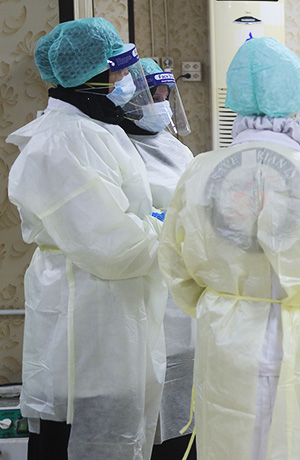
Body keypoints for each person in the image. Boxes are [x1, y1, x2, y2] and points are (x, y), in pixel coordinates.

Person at [157, 36, 300, 460]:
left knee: (233, 436)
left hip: (226, 334)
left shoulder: (200, 172)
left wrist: (224, 300)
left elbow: (176, 265)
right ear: (297, 103)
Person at [6, 17, 166, 460]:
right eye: (115, 71)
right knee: (80, 431)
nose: (122, 81)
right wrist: (168, 231)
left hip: (106, 305)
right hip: (88, 306)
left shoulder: (92, 129)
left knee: (109, 417)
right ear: (90, 76)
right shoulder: (64, 141)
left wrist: (153, 222)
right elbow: (112, 245)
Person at [121, 57, 197, 459]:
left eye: (167, 95)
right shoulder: (117, 145)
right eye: (155, 96)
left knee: (185, 366)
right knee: (151, 369)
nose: (163, 104)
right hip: (143, 274)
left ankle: (183, 443)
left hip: (182, 273)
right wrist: (153, 221)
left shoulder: (175, 146)